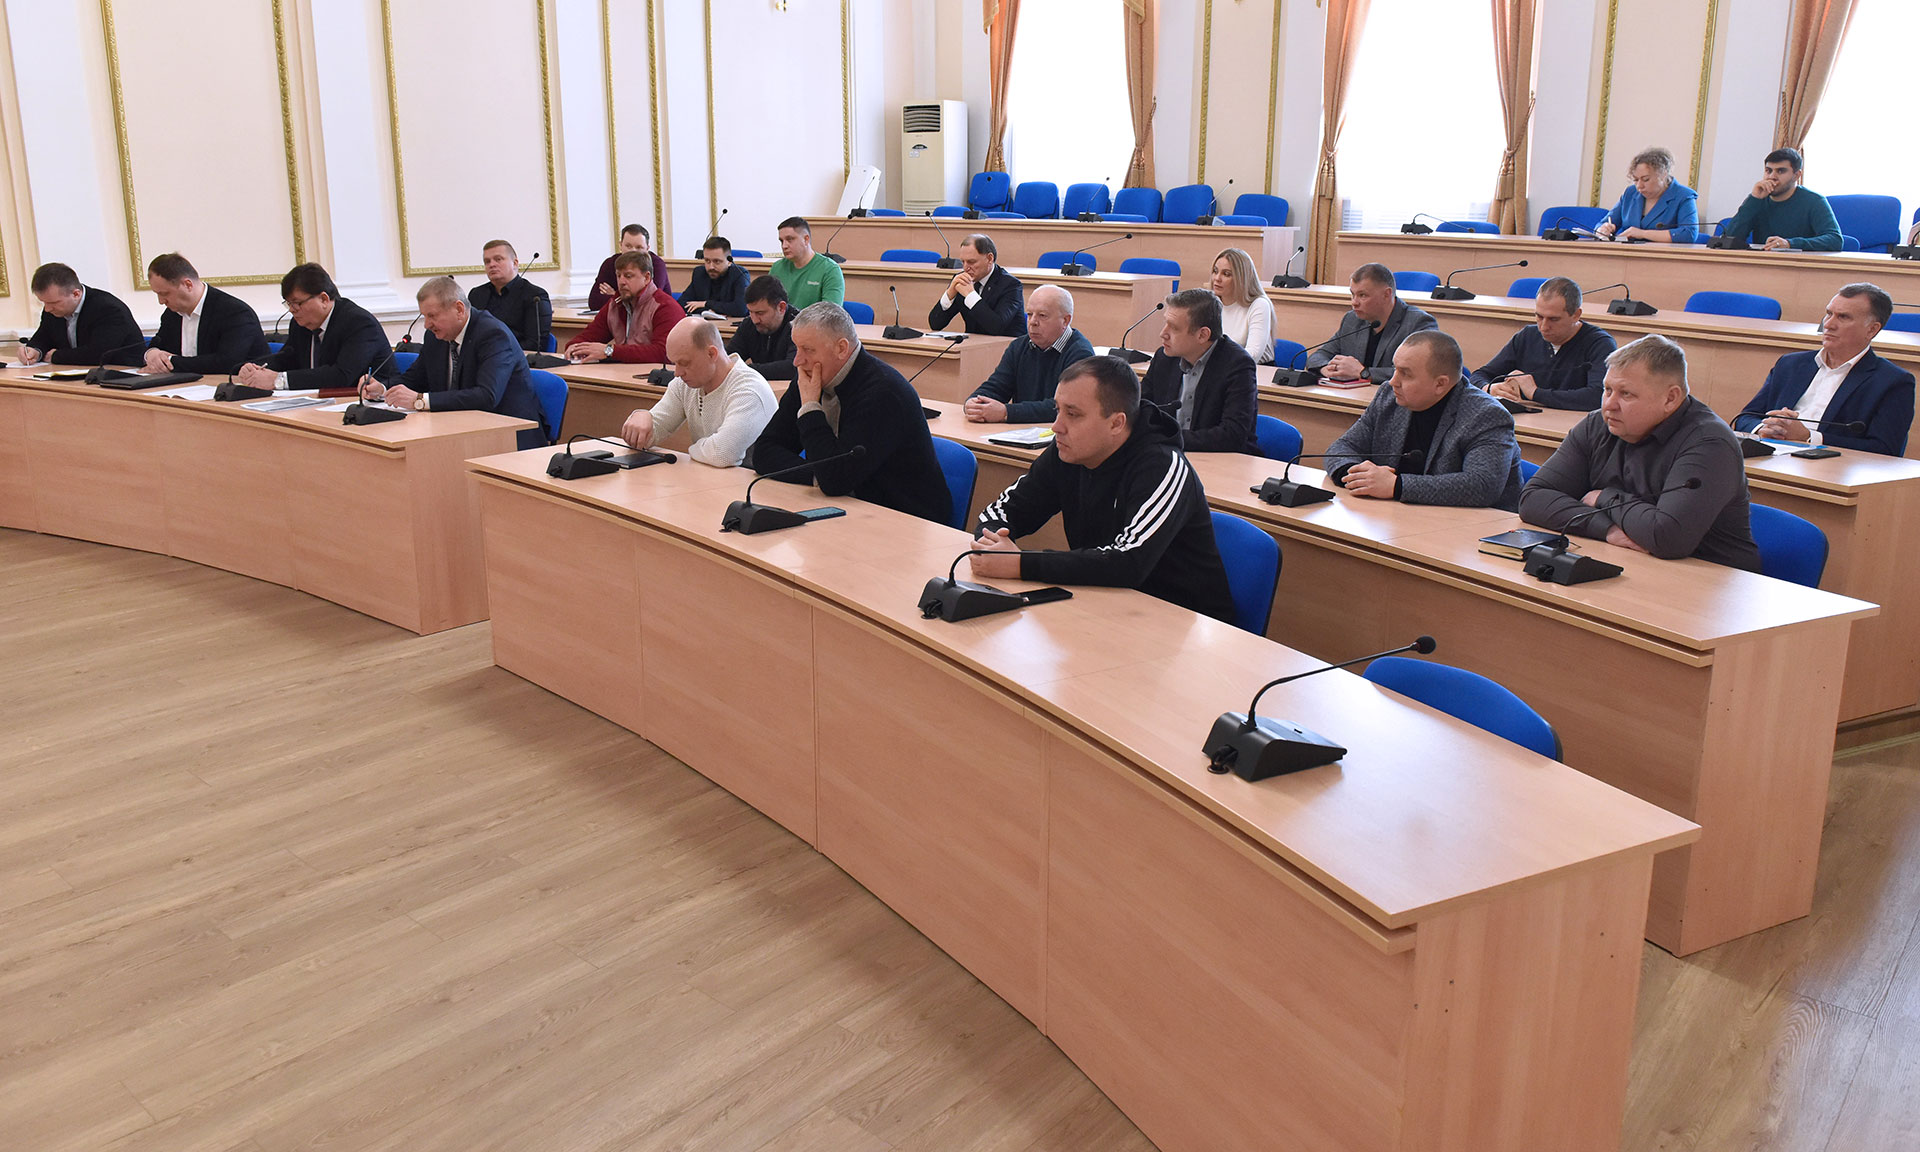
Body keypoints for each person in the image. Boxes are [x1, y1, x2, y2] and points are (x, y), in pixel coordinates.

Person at [971, 355, 1236, 623]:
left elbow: (1128, 562)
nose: (1056, 426)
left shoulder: (1163, 466)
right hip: (1106, 607)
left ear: (1116, 423)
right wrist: (991, 543)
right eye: (1057, 410)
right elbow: (1003, 510)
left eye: (1073, 414)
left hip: (1183, 625)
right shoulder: (1067, 452)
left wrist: (1019, 564)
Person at [1519, 334, 1760, 570]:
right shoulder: (1598, 425)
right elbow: (1533, 499)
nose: (1609, 405)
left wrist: (1604, 498)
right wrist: (1607, 529)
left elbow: (1667, 537)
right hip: (1631, 562)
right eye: (1607, 390)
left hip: (1708, 577)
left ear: (1670, 398)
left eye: (1626, 394)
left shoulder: (1709, 443)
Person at [746, 301, 949, 524]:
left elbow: (834, 481)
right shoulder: (809, 374)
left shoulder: (883, 393)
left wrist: (810, 407)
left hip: (905, 519)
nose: (797, 361)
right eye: (796, 348)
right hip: (850, 508)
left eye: (808, 350)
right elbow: (764, 451)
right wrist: (815, 475)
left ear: (841, 348)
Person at [1326, 331, 1522, 510]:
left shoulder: (1486, 415)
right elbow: (1342, 447)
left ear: (1440, 384)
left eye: (1405, 373)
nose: (1393, 381)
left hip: (1473, 529)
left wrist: (1396, 486)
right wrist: (1356, 476)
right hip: (1399, 515)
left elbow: (1482, 485)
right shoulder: (1389, 396)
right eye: (1394, 369)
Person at [360, 276, 545, 449]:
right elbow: (415, 379)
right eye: (424, 316)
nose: (426, 325)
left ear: (459, 309)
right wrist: (382, 389)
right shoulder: (435, 337)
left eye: (432, 316)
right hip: (457, 429)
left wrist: (420, 401)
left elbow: (487, 396)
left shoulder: (493, 335)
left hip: (509, 437)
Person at [1733, 283, 1915, 456]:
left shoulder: (1892, 381)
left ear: (1871, 330)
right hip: (1771, 457)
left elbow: (1884, 449)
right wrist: (1764, 428)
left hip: (1831, 468)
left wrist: (1808, 437)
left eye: (1843, 317)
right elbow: (1745, 418)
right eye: (1829, 314)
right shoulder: (1790, 364)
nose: (1828, 324)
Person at [620, 318, 777, 467]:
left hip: (752, 484)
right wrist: (642, 418)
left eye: (684, 363)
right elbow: (651, 433)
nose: (677, 373)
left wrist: (687, 452)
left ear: (711, 354)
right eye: (674, 363)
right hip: (712, 479)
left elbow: (721, 454)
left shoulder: (749, 391)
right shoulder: (685, 384)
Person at [235, 263, 391, 392]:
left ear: (323, 299)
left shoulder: (359, 322)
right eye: (288, 304)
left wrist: (278, 380)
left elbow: (341, 375)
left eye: (297, 303)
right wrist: (255, 369)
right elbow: (288, 358)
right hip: (319, 400)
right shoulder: (300, 323)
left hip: (369, 403)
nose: (292, 310)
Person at [1470, 277, 1617, 411]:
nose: (1544, 327)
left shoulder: (1600, 344)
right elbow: (1479, 375)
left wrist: (1535, 393)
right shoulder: (1528, 336)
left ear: (1576, 315)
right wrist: (1488, 388)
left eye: (1554, 319)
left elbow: (1597, 396)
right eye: (1539, 317)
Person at [1140, 288, 1258, 453]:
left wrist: (1169, 438)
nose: (1163, 334)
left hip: (1221, 460)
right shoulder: (1164, 357)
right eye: (1165, 323)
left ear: (1202, 335)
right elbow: (1141, 408)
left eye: (1174, 328)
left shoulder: (1238, 365)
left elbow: (1232, 435)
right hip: (1168, 454)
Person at [963, 284, 1094, 424]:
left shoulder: (1081, 353)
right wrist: (975, 402)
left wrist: (1006, 412)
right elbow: (997, 386)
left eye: (1042, 316)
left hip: (1059, 432)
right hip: (1021, 431)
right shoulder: (1019, 346)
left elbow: (1065, 406)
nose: (1033, 322)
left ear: (1065, 321)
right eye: (1030, 314)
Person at [1304, 263, 1438, 385]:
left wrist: (1363, 372)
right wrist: (1326, 368)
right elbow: (1317, 357)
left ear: (1387, 294)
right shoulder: (1352, 320)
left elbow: (1417, 373)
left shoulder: (1418, 323)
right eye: (1353, 294)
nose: (1354, 302)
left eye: (1362, 295)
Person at [141, 253, 269, 374]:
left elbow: (226, 362)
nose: (161, 301)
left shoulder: (235, 312)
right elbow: (158, 344)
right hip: (188, 385)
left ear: (188, 285)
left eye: (164, 294)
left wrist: (171, 362)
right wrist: (151, 353)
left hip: (238, 385)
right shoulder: (172, 314)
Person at [566, 251, 682, 364]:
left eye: (628, 276)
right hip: (624, 373)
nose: (621, 282)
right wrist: (574, 347)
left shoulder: (665, 307)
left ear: (646, 278)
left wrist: (610, 351)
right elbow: (589, 335)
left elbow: (663, 352)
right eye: (618, 276)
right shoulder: (615, 304)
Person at [18, 262, 142, 366]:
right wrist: (34, 351)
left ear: (76, 294)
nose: (47, 309)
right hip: (76, 375)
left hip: (121, 374)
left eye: (53, 302)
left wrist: (57, 356)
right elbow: (43, 338)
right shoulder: (53, 310)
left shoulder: (108, 308)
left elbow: (98, 354)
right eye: (44, 302)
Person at [1720, 148, 1843, 252]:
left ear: (1796, 175)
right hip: (1762, 264)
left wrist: (1790, 244)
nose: (1772, 176)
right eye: (1768, 171)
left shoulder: (1814, 201)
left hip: (1800, 266)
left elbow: (1835, 240)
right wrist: (1754, 199)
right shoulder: (1758, 199)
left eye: (1780, 171)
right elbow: (1728, 240)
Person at [1595, 147, 1700, 243]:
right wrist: (1603, 229)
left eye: (1646, 179)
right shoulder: (1630, 193)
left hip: (1663, 255)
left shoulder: (1684, 196)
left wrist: (1643, 234)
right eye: (1635, 180)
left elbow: (1689, 234)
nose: (1639, 186)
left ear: (1663, 175)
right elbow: (1602, 223)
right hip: (1626, 253)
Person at [926, 233, 1024, 337]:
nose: (965, 268)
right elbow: (935, 324)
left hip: (1006, 344)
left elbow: (996, 327)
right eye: (963, 262)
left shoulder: (1011, 285)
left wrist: (970, 296)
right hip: (972, 344)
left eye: (971, 262)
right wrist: (949, 294)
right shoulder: (962, 279)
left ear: (989, 258)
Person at [467, 240, 552, 352]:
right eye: (487, 261)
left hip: (516, 357)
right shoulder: (476, 294)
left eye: (498, 259)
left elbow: (535, 344)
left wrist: (494, 352)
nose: (492, 265)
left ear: (515, 263)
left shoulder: (535, 296)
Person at [1210, 247, 1276, 363]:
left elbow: (1253, 354)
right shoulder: (1210, 303)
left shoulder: (1259, 304)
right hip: (1219, 367)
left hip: (1253, 368)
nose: (1217, 278)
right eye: (1215, 271)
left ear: (1241, 278)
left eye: (1226, 274)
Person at [729, 275, 797, 382]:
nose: (755, 320)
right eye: (750, 312)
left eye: (760, 313)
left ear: (781, 308)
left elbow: (792, 367)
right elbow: (729, 358)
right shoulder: (748, 324)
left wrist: (745, 370)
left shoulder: (800, 326)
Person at [588, 224, 670, 311]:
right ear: (621, 245)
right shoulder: (610, 264)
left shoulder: (656, 265)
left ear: (647, 249)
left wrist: (616, 296)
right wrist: (624, 298)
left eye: (639, 247)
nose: (633, 251)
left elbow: (648, 301)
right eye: (628, 246)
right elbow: (594, 302)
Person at [769, 217, 846, 309]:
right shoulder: (777, 267)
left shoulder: (830, 270)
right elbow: (768, 304)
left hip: (814, 319)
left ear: (806, 239)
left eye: (790, 239)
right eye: (781, 241)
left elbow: (830, 313)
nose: (784, 246)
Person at [679, 236, 751, 318]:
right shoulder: (699, 273)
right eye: (707, 261)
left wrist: (706, 304)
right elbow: (682, 304)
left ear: (729, 261)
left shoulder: (739, 274)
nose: (711, 267)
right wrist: (708, 311)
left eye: (716, 261)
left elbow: (741, 309)